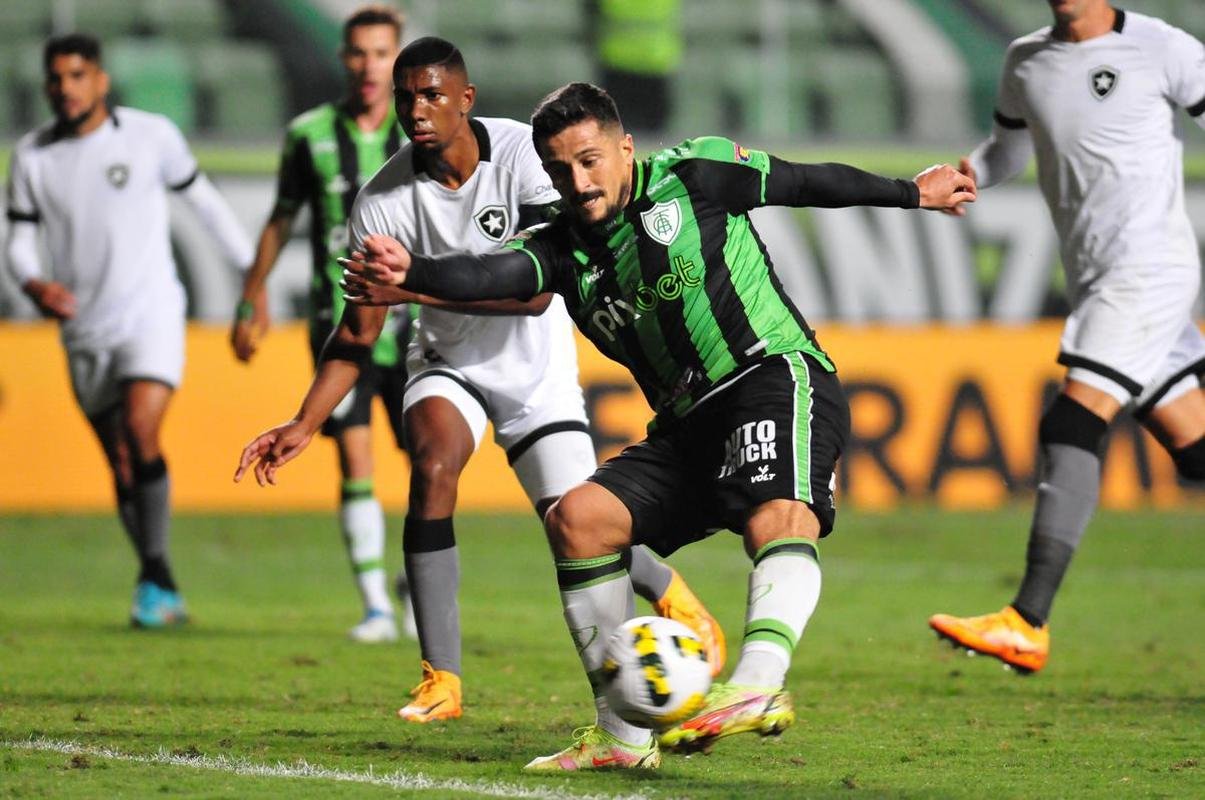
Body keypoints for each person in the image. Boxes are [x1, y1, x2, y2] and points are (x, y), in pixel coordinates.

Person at [288, 82, 973, 768]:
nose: (578, 182)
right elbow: (489, 272)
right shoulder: (562, 248)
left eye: (589, 161)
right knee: (578, 520)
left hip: (766, 375)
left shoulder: (696, 173)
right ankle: (622, 737)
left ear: (623, 148)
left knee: (778, 510)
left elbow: (802, 181)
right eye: (559, 170)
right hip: (683, 426)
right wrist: (416, 273)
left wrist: (911, 193)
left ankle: (759, 684)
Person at [234, 42, 725, 725]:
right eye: (407, 98)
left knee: (574, 521)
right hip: (447, 363)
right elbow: (356, 332)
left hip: (535, 368)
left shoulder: (526, 155)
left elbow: (531, 294)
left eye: (432, 94)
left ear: (465, 99)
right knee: (432, 468)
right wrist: (304, 421)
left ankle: (665, 600)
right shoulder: (382, 201)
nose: (416, 110)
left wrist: (411, 281)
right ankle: (441, 678)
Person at [928, 1, 1205, 675]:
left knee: (1069, 423)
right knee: (1196, 450)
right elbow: (1009, 149)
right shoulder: (1025, 59)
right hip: (1095, 277)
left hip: (1146, 272)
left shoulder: (1160, 46)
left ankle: (1025, 619)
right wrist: (966, 172)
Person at [5, 33, 253, 627]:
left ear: (100, 79)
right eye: (56, 79)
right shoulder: (33, 156)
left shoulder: (150, 136)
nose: (66, 88)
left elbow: (207, 205)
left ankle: (156, 578)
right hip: (84, 329)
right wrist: (35, 284)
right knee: (120, 462)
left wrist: (252, 276)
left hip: (150, 314)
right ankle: (157, 574)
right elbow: (17, 239)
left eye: (77, 75)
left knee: (141, 431)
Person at [230, 5, 415, 643]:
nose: (370, 66)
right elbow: (281, 218)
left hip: (416, 325)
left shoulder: (423, 132)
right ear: (344, 59)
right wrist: (251, 295)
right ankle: (375, 607)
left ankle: (414, 584)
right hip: (336, 323)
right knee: (355, 458)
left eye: (382, 52)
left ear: (398, 57)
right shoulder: (309, 134)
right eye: (359, 53)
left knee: (428, 459)